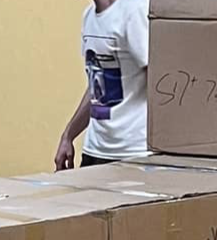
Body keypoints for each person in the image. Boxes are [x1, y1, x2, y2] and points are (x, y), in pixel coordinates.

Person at [54, 0, 151, 170]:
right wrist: (68, 136)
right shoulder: (89, 15)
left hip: (133, 151)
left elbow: (160, 80)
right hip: (96, 149)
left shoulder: (134, 12)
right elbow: (97, 86)